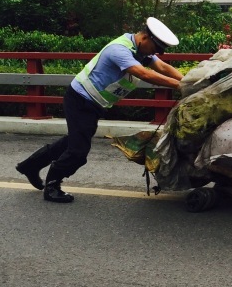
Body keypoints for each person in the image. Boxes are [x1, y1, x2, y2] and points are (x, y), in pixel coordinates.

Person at [16, 17, 184, 203]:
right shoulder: (120, 49)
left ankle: (30, 165)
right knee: (78, 152)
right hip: (81, 99)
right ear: (145, 38)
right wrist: (179, 86)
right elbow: (144, 74)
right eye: (155, 48)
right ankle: (52, 186)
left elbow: (162, 66)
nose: (156, 53)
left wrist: (188, 81)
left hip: (94, 103)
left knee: (73, 141)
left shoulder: (141, 50)